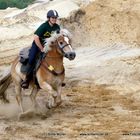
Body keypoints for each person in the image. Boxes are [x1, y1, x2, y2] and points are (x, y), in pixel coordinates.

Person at [21, 10, 60, 88]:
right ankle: (26, 79)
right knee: (32, 59)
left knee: (54, 59)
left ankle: (56, 76)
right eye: (52, 17)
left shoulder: (57, 27)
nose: (54, 19)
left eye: (55, 18)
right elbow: (36, 37)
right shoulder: (44, 26)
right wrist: (41, 48)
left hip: (49, 46)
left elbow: (59, 38)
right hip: (37, 45)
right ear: (49, 18)